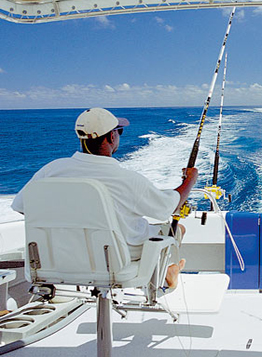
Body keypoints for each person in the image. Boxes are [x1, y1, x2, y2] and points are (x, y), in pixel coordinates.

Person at [12, 107, 198, 288]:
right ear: (111, 136)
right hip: (116, 259)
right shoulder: (128, 180)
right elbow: (168, 208)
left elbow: (21, 206)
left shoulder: (51, 170)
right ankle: (167, 270)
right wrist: (190, 180)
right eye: (119, 131)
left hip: (62, 256)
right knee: (177, 229)